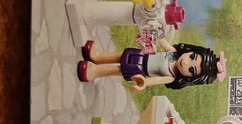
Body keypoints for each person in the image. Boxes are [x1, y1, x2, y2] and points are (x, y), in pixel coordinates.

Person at [77, 38, 226, 92]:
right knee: (121, 55)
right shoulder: (174, 53)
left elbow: (156, 80)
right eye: (192, 56)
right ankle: (98, 57)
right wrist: (156, 30)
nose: (186, 62)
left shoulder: (171, 76)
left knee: (119, 69)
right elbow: (162, 41)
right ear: (191, 50)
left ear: (190, 78)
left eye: (191, 69)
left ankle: (95, 71)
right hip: (142, 54)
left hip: (140, 68)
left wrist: (144, 83)